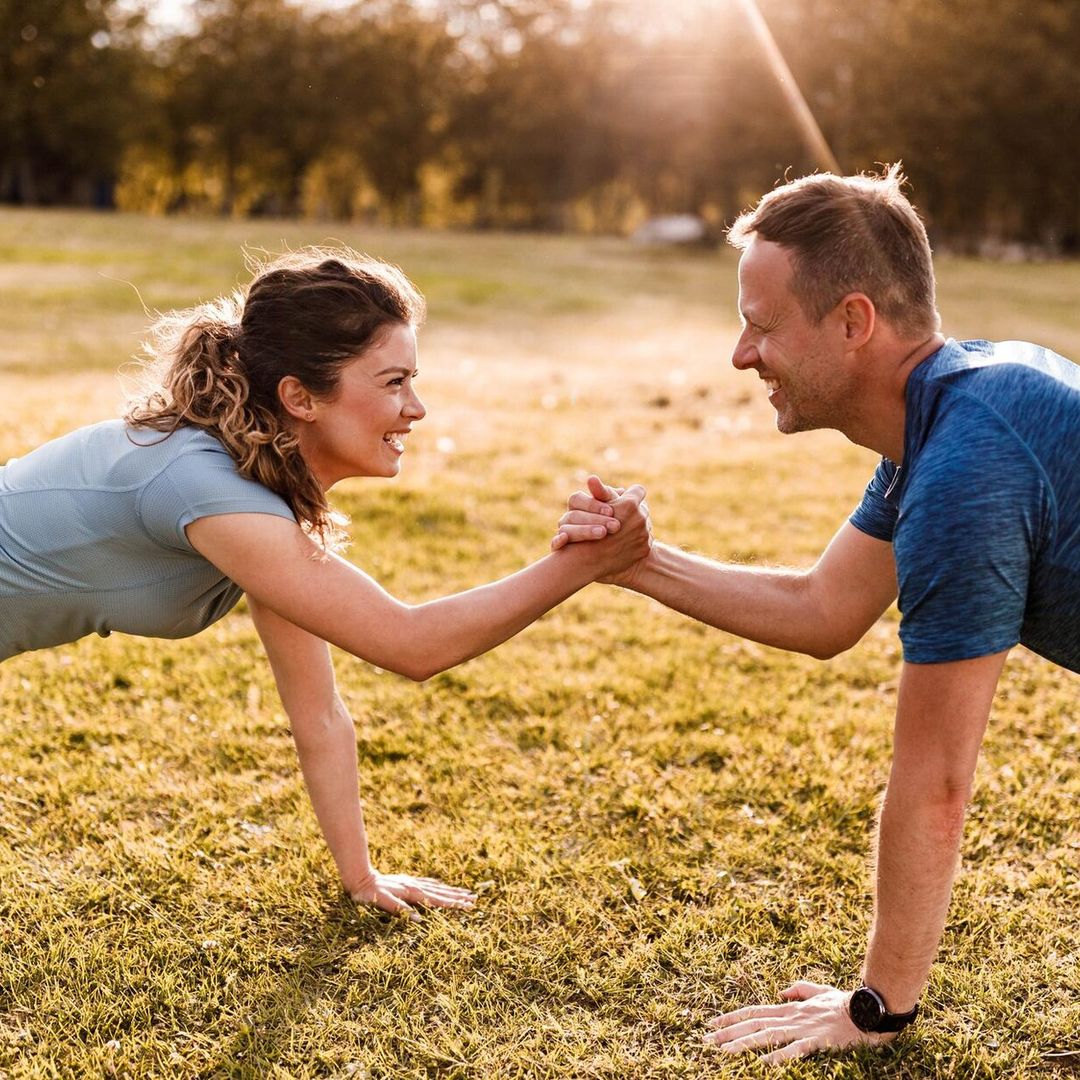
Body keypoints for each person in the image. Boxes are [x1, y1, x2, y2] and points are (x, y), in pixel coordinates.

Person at [554, 165, 1080, 1063]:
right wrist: (638, 563)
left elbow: (938, 785)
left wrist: (878, 1006)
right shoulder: (947, 415)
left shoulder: (964, 468)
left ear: (852, 322)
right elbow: (824, 608)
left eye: (762, 326)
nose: (741, 354)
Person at [0, 248, 651, 921]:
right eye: (394, 381)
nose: (417, 408)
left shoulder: (256, 493)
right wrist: (580, 566)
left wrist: (362, 876)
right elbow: (411, 644)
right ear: (299, 397)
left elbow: (318, 713)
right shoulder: (201, 484)